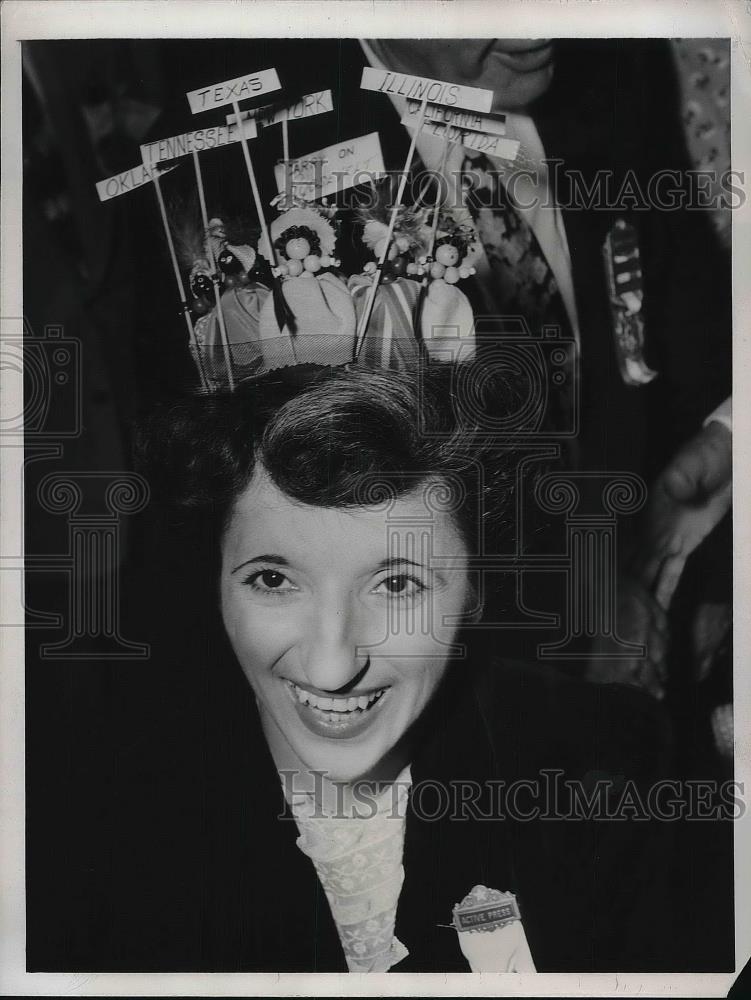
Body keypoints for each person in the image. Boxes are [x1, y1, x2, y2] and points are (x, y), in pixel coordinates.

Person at [28, 356, 726, 974]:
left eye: (396, 584)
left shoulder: (604, 768)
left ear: (476, 588)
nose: (330, 668)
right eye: (272, 580)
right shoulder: (86, 827)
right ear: (214, 576)